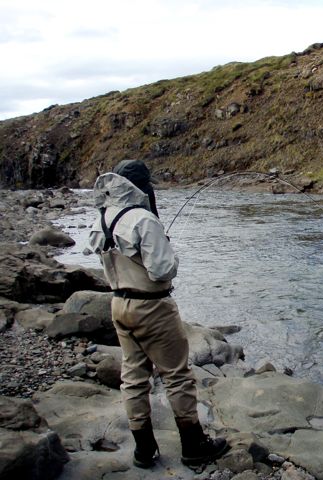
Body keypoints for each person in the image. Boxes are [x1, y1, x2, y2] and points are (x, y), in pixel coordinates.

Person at [88, 159, 227, 469]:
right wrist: (169, 252)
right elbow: (162, 269)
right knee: (177, 375)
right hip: (153, 308)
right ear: (142, 186)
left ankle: (144, 450)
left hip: (119, 305)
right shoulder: (144, 219)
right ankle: (193, 445)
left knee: (134, 378)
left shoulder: (102, 218)